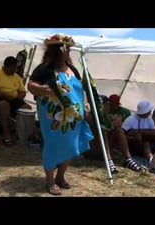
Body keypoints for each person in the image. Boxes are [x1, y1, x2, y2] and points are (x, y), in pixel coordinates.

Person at [27, 34, 94, 195]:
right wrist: (41, 89)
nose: (68, 52)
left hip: (74, 117)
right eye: (65, 49)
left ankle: (60, 176)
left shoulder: (73, 69)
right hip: (54, 117)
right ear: (56, 51)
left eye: (69, 49)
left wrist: (85, 106)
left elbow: (80, 90)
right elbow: (31, 85)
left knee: (70, 145)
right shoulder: (45, 68)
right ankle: (50, 181)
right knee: (53, 145)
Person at [0, 56, 32, 146]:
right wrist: (4, 95)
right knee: (4, 105)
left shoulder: (16, 77)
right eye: (13, 68)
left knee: (27, 108)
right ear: (6, 66)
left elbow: (22, 91)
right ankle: (7, 135)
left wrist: (20, 96)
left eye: (15, 68)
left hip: (14, 99)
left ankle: (26, 134)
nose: (14, 71)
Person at [96, 95, 145, 173]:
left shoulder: (108, 116)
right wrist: (113, 125)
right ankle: (108, 160)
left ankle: (128, 159)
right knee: (104, 132)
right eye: (108, 104)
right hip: (95, 145)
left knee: (119, 130)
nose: (109, 106)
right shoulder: (94, 115)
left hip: (108, 143)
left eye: (110, 104)